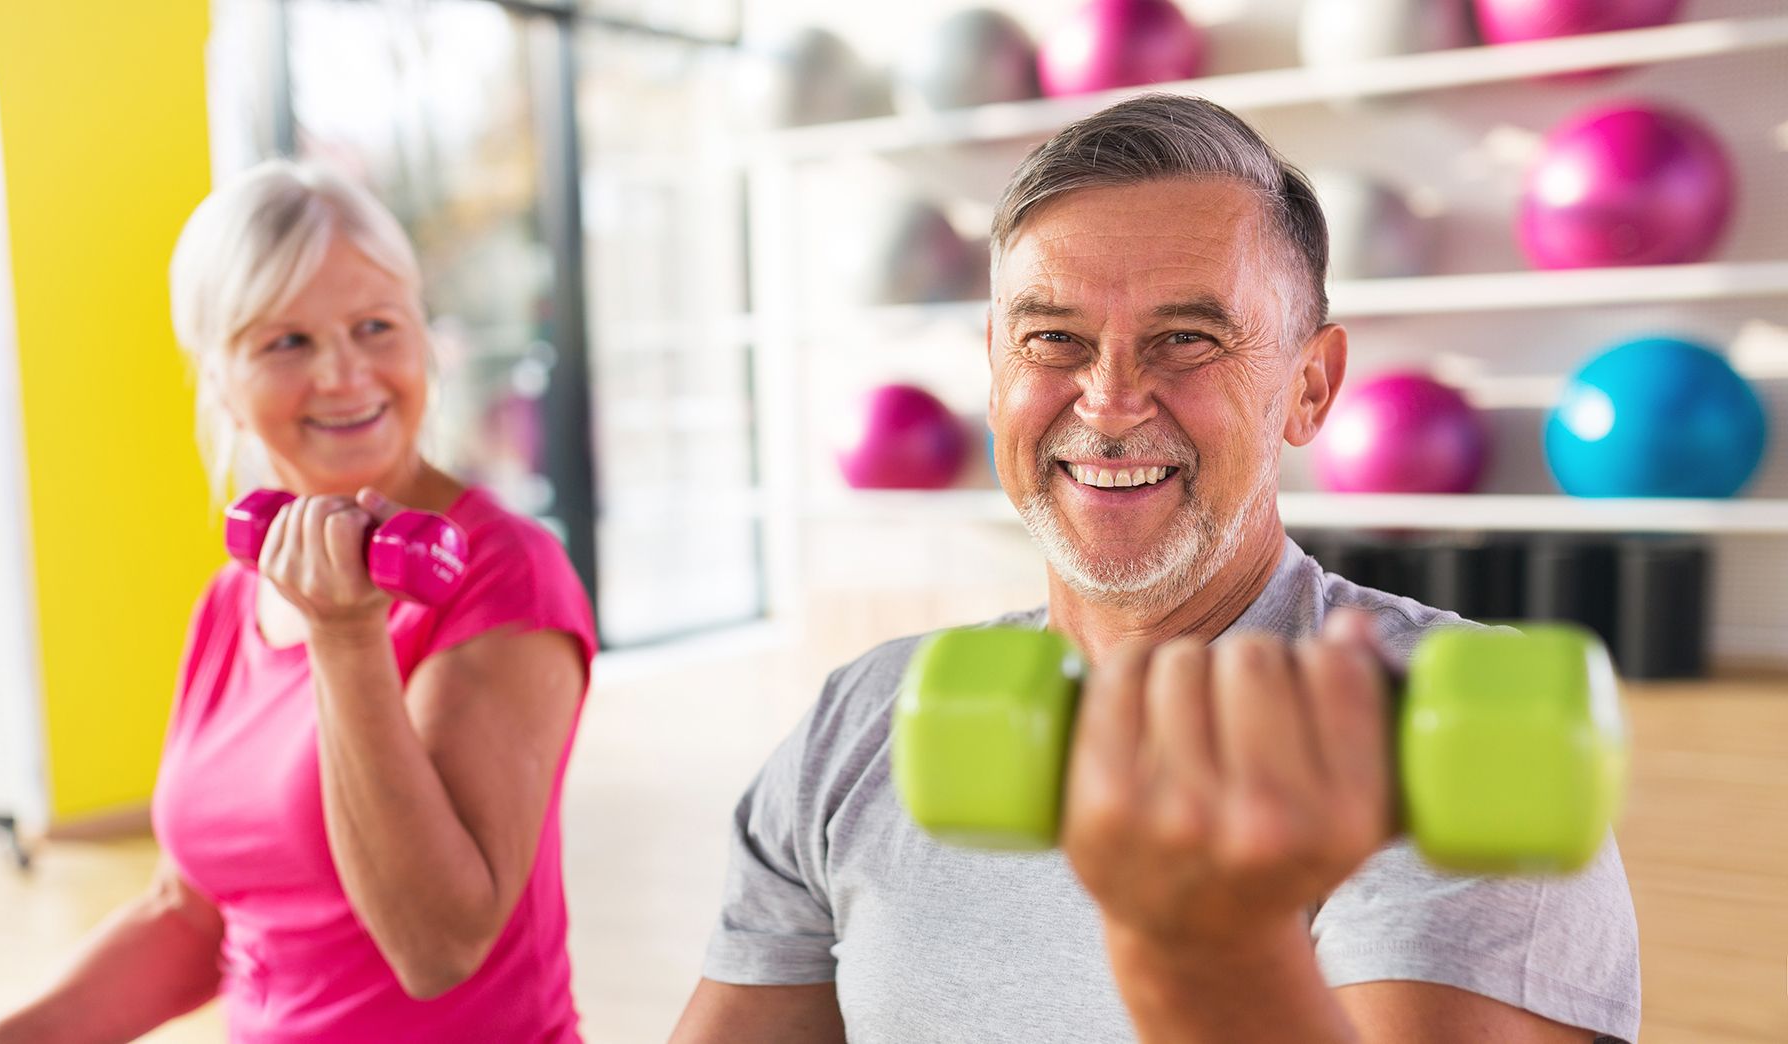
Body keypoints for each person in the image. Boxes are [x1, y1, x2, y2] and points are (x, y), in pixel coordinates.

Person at [671, 95, 1640, 1043]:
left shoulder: (1445, 741)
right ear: (995, 367)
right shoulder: (858, 723)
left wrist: (1205, 952)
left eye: (1186, 340)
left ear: (1308, 388)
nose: (1108, 400)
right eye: (1052, 339)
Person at [0, 160, 596, 1043]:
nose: (344, 374)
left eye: (374, 327)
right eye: (287, 342)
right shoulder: (231, 601)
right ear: (222, 380)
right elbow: (189, 916)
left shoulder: (503, 573)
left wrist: (347, 639)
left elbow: (438, 947)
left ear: (424, 341)